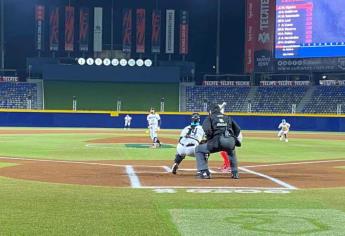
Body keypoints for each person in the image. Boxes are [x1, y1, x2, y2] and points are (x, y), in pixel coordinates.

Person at [194, 103, 242, 179]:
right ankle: (235, 173)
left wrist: (209, 140)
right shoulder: (228, 117)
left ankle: (204, 173)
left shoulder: (209, 118)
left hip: (217, 141)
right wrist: (232, 139)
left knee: (198, 149)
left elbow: (207, 130)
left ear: (210, 111)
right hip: (230, 141)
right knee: (231, 151)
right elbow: (238, 130)